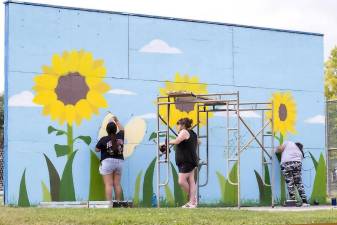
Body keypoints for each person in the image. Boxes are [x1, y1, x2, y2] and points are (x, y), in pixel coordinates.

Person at [167, 118, 198, 208]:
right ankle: (192, 202)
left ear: (183, 125)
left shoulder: (184, 132)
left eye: (178, 124)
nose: (177, 126)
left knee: (181, 181)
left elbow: (177, 141)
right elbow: (197, 142)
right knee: (191, 181)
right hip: (191, 160)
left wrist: (165, 142)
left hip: (186, 161)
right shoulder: (193, 133)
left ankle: (193, 199)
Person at [96, 116, 124, 201]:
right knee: (117, 184)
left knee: (109, 184)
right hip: (119, 162)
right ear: (116, 130)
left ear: (107, 130)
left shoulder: (104, 139)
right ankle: (118, 202)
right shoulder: (120, 136)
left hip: (107, 162)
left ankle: (109, 203)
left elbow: (96, 149)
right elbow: (122, 129)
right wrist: (116, 120)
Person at [276, 141, 309, 206]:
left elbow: (280, 149)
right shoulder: (300, 152)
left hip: (286, 163)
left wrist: (276, 149)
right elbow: (300, 160)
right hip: (297, 164)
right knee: (299, 183)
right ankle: (305, 202)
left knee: (290, 183)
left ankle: (292, 201)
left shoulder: (288, 143)